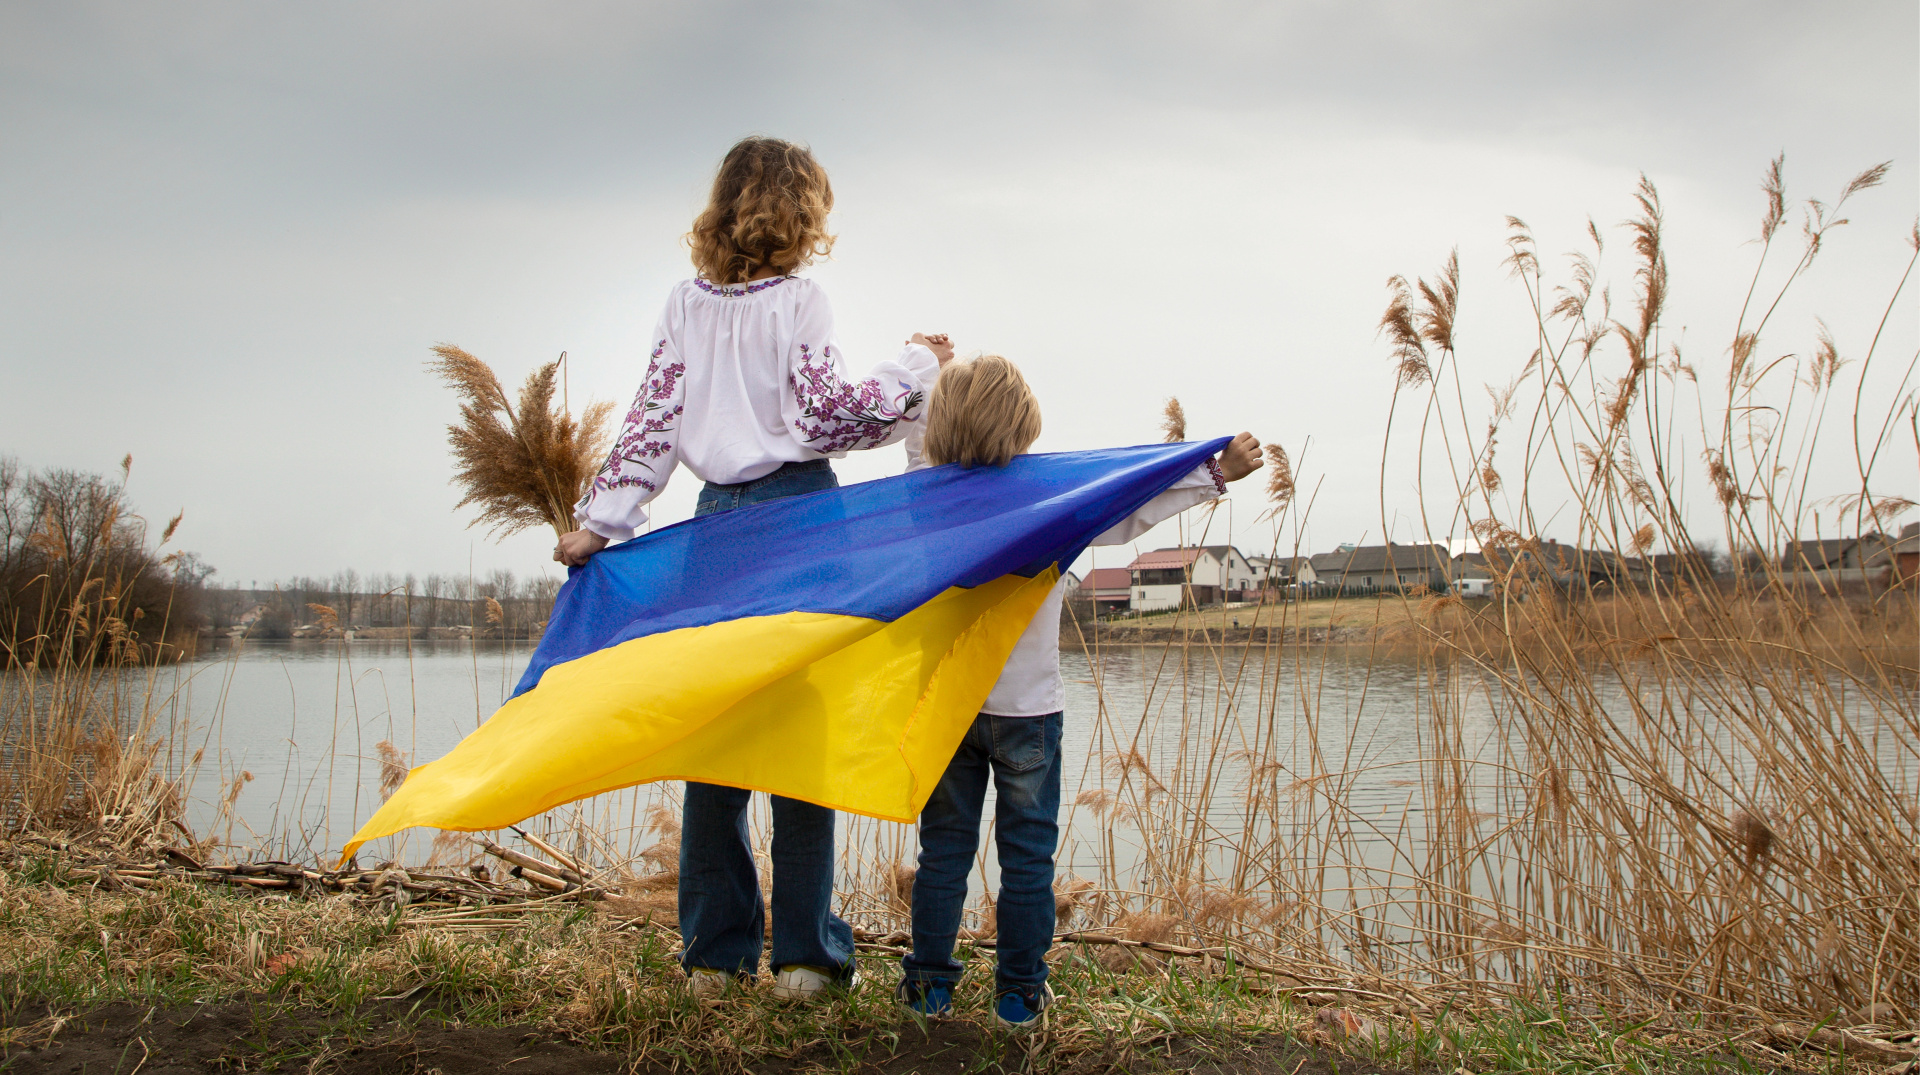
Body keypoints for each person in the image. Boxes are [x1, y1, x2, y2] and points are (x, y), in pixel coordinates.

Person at [553, 136, 954, 1001]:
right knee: (801, 737)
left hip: (716, 530)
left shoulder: (683, 305)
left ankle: (714, 958)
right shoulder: (802, 302)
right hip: (803, 521)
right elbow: (827, 418)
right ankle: (806, 960)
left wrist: (598, 522)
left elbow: (652, 423)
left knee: (719, 735)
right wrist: (919, 365)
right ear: (803, 214)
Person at [894, 354, 1262, 1029]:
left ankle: (929, 989)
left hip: (950, 709)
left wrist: (930, 371)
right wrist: (1214, 474)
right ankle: (1018, 994)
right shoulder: (1048, 503)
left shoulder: (925, 497)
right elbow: (1133, 506)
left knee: (943, 852)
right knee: (1028, 859)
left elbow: (921, 444)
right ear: (1023, 426)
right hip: (1028, 716)